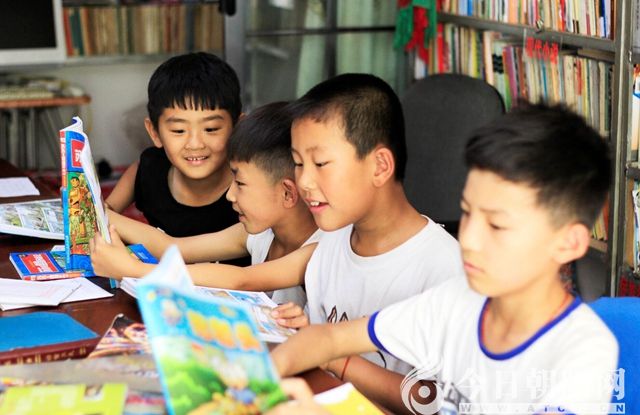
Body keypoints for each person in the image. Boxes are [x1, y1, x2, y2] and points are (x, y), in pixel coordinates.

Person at [129, 73, 463, 413]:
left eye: (320, 163)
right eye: (299, 163)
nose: (303, 181)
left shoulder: (442, 267)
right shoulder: (334, 240)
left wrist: (331, 353)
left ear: (379, 166)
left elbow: (437, 402)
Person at [269, 103, 619, 415]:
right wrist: (260, 382)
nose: (470, 239)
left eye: (497, 225)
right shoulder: (457, 301)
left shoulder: (583, 353)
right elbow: (329, 339)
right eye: (467, 213)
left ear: (568, 243)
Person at [91, 102, 319, 312]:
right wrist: (96, 212)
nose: (230, 195)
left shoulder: (320, 249)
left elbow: (241, 280)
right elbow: (173, 247)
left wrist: (133, 270)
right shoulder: (261, 234)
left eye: (240, 183)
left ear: (287, 193)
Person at [105, 52, 243, 245]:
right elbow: (102, 213)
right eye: (179, 130)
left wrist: (98, 216)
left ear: (238, 128)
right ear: (154, 132)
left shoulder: (251, 185)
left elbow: (100, 217)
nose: (195, 144)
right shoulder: (148, 169)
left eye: (211, 129)